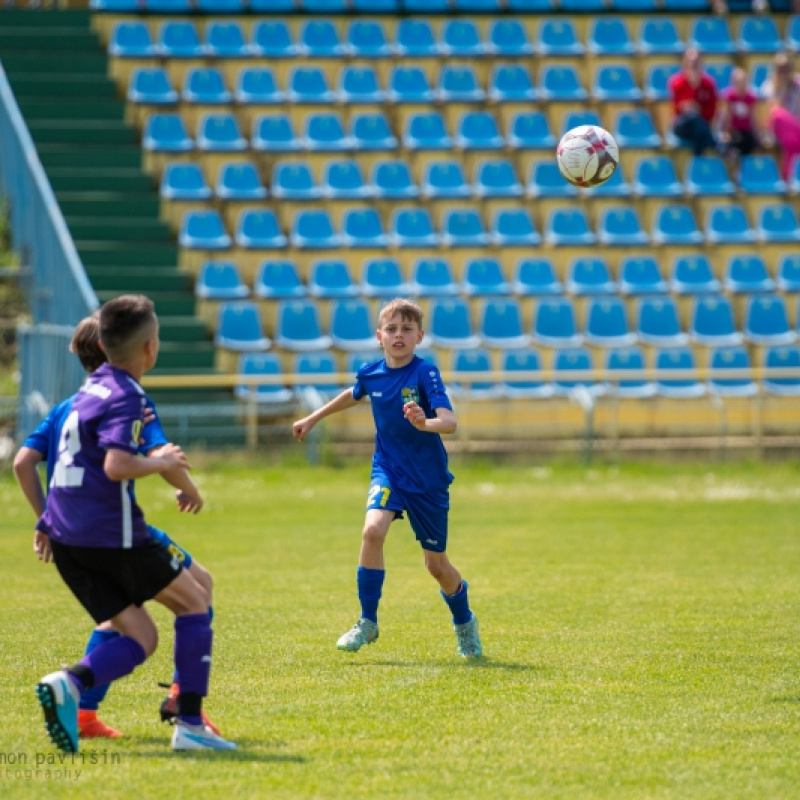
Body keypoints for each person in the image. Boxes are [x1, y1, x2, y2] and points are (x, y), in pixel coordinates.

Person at [30, 294, 236, 752]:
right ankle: (189, 723)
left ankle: (71, 684)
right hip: (111, 534)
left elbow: (28, 461)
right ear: (149, 348)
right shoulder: (127, 394)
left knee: (141, 635)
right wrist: (160, 461)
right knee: (196, 601)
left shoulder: (84, 393)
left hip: (67, 536)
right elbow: (120, 465)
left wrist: (44, 518)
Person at [292, 298, 482, 659]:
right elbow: (355, 393)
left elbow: (451, 422)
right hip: (389, 470)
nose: (399, 335)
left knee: (436, 566)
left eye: (407, 329)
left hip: (427, 480)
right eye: (391, 329)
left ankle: (465, 624)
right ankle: (367, 621)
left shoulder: (425, 373)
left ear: (419, 336)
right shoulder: (371, 373)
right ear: (380, 336)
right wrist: (313, 418)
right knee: (372, 531)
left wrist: (425, 423)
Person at [668, 48, 720, 156]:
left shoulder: (709, 84)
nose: (693, 64)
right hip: (682, 126)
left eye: (696, 62)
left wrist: (699, 109)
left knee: (697, 127)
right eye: (690, 61)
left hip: (700, 127)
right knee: (693, 118)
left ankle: (697, 163)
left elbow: (711, 112)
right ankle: (716, 146)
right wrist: (687, 106)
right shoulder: (676, 82)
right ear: (685, 62)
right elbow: (676, 110)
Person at [761, 51, 800, 180]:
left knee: (792, 141)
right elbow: (771, 112)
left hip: (796, 129)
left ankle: (788, 176)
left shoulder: (798, 85)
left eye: (787, 68)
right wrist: (782, 89)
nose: (784, 72)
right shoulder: (769, 86)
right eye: (781, 69)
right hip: (775, 129)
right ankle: (789, 176)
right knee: (778, 115)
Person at [719, 67, 761, 160]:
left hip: (746, 132)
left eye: (743, 81)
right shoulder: (729, 96)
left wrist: (757, 133)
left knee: (750, 142)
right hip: (733, 131)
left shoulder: (750, 97)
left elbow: (753, 117)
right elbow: (726, 116)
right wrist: (726, 132)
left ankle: (742, 169)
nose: (741, 84)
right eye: (738, 82)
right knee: (727, 144)